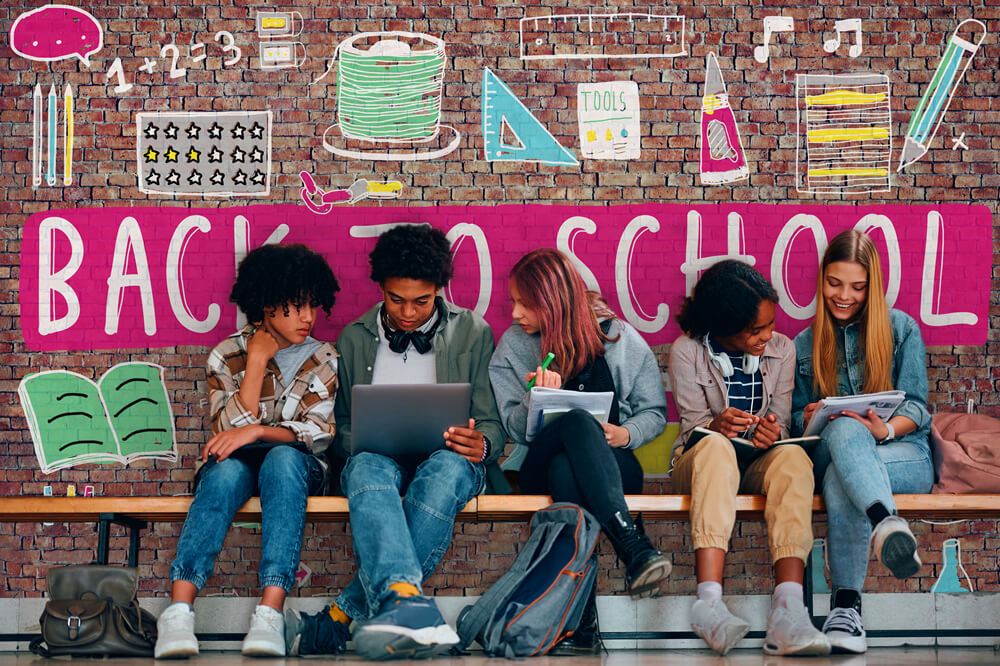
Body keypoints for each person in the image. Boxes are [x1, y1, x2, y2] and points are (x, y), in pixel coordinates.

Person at [284, 224, 508, 660]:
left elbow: (493, 425)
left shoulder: (473, 332)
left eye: (421, 301)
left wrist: (480, 445)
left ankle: (346, 616)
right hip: (378, 459)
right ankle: (405, 608)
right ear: (380, 289)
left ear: (440, 290)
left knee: (444, 471)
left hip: (448, 459)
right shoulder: (353, 338)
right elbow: (340, 427)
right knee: (365, 467)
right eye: (395, 299)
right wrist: (366, 437)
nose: (408, 313)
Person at [154, 244, 341, 658]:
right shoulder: (227, 355)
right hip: (238, 465)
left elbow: (317, 434)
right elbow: (225, 435)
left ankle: (270, 613)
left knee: (283, 459)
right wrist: (255, 362)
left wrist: (257, 430)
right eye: (295, 306)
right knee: (222, 472)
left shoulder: (325, 357)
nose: (308, 317)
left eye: (312, 305)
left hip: (296, 466)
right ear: (266, 305)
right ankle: (179, 612)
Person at [489, 248, 672, 655]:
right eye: (514, 302)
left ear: (552, 301)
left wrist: (624, 434)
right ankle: (632, 545)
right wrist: (535, 396)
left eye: (525, 303)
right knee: (574, 423)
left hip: (610, 463)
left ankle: (581, 622)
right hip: (536, 464)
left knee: (567, 472)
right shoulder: (513, 346)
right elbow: (513, 428)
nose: (515, 313)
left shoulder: (617, 337)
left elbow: (654, 412)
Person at [668, 259, 828, 656]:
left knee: (793, 460)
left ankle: (788, 610)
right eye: (755, 330)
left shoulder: (783, 350)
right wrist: (717, 425)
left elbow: (781, 421)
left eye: (770, 325)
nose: (767, 336)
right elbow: (692, 430)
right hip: (699, 461)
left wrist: (774, 431)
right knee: (716, 447)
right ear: (724, 326)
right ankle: (708, 604)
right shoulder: (687, 352)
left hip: (756, 460)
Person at [792, 230, 933, 654]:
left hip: (902, 454)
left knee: (843, 478)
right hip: (834, 452)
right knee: (843, 429)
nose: (844, 296)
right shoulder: (804, 344)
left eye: (857, 286)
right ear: (822, 280)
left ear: (873, 286)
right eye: (834, 283)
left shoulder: (901, 329)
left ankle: (846, 609)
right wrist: (807, 418)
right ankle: (885, 523)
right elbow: (794, 426)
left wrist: (883, 430)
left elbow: (917, 407)